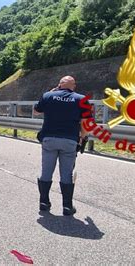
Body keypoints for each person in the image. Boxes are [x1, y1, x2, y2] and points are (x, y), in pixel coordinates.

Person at [34, 76, 90, 216]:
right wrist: (82, 138)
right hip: (69, 140)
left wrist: (51, 92)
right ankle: (67, 207)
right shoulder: (81, 99)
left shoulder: (48, 95)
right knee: (67, 174)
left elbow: (36, 111)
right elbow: (85, 123)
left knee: (46, 171)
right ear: (74, 86)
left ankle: (44, 203)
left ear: (59, 85)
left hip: (49, 139)